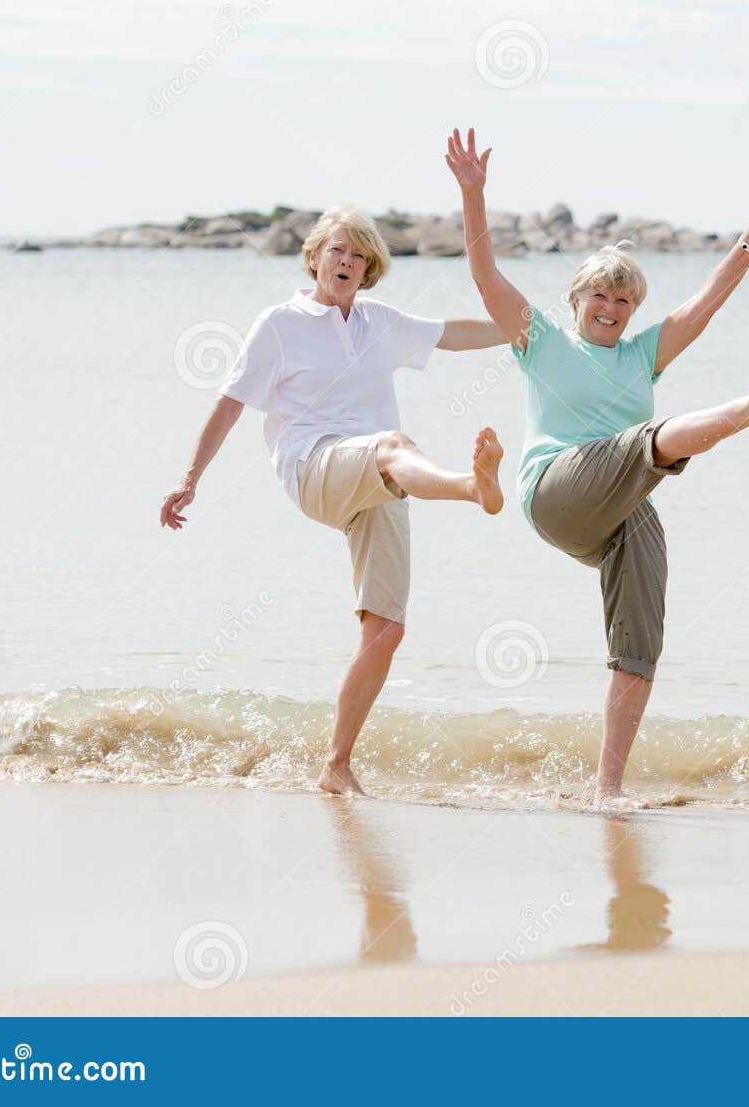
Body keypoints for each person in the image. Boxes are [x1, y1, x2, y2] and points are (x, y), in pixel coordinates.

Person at [444, 127, 749, 804]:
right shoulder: (539, 339)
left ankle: (606, 788)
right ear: (576, 299)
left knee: (640, 644)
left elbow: (705, 302)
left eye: (623, 302)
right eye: (599, 298)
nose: (611, 310)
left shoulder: (642, 355)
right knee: (648, 439)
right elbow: (485, 274)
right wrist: (474, 194)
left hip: (618, 506)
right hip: (556, 489)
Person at [158, 206, 512, 797]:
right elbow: (230, 405)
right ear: (315, 256)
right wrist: (191, 478)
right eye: (337, 251)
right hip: (315, 465)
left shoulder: (379, 321)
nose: (346, 263)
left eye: (358, 256)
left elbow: (455, 335)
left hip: (382, 481)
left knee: (386, 630)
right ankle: (470, 487)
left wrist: (527, 330)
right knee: (394, 444)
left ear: (370, 268)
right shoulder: (280, 323)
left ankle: (335, 765)